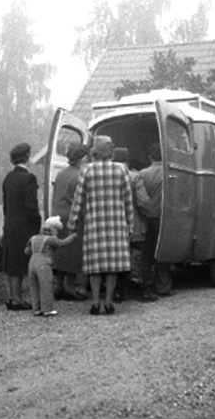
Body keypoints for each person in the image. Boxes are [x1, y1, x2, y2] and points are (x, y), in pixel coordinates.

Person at [67, 135, 134, 315]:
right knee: (113, 265)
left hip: (94, 225)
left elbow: (78, 199)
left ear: (95, 151)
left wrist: (72, 223)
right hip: (116, 225)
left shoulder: (87, 170)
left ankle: (96, 302)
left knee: (95, 266)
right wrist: (130, 225)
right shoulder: (121, 169)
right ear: (110, 151)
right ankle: (109, 302)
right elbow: (128, 200)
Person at [2, 142, 41, 311]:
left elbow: (5, 205)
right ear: (27, 157)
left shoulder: (8, 177)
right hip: (24, 226)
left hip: (10, 224)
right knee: (19, 263)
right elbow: (31, 206)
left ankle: (11, 297)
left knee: (11, 262)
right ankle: (17, 300)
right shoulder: (29, 178)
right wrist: (37, 222)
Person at [112, 147, 152, 302]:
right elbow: (143, 202)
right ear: (128, 161)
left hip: (113, 227)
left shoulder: (106, 176)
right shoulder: (135, 177)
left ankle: (118, 291)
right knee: (139, 256)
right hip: (134, 224)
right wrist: (147, 215)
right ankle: (144, 291)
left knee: (117, 258)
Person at [52, 143, 90, 301]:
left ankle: (58, 286)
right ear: (83, 159)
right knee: (73, 253)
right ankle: (70, 287)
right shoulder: (81, 176)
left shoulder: (61, 174)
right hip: (73, 217)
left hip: (58, 216)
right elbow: (82, 200)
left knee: (60, 251)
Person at [25, 216, 77, 317]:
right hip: (44, 265)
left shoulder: (33, 238)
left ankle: (36, 308)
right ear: (53, 228)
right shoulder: (51, 239)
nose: (57, 233)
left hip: (31, 264)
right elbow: (62, 243)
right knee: (46, 286)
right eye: (57, 230)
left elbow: (27, 251)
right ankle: (47, 309)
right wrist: (73, 236)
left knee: (34, 287)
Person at [139, 142, 173, 298]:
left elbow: (140, 198)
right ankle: (163, 286)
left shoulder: (142, 174)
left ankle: (146, 285)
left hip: (147, 217)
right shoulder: (168, 173)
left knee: (147, 253)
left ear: (149, 157)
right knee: (163, 251)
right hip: (164, 217)